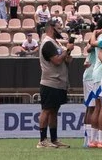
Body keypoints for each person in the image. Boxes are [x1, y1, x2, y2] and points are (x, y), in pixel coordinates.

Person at [37, 17, 74, 149]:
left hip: (59, 83)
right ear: (51, 28)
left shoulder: (56, 43)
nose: (60, 29)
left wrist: (67, 51)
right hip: (50, 82)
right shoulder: (47, 43)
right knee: (46, 110)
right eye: (58, 27)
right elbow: (57, 61)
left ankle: (54, 139)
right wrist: (66, 51)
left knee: (54, 111)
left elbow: (67, 60)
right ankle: (42, 140)